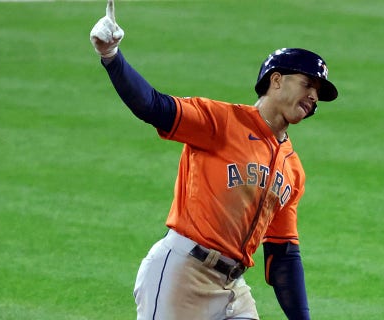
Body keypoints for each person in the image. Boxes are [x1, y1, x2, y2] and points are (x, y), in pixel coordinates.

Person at [90, 1, 338, 319]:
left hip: (232, 288)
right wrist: (111, 57)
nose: (314, 97)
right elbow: (152, 106)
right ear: (276, 81)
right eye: (308, 85)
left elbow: (283, 255)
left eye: (318, 93)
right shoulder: (220, 121)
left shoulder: (292, 168)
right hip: (181, 275)